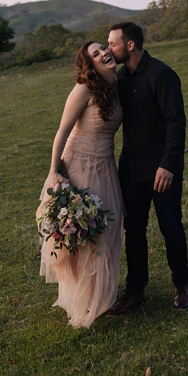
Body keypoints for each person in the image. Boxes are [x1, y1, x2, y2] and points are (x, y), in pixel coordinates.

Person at [106, 21, 188, 313]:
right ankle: (135, 290)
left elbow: (176, 122)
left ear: (130, 45)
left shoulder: (161, 74)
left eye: (113, 44)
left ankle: (182, 285)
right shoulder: (121, 77)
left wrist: (168, 165)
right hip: (131, 170)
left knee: (171, 228)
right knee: (134, 231)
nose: (109, 49)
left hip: (162, 170)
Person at [37, 42, 125, 328]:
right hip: (81, 166)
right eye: (96, 55)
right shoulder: (84, 89)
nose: (103, 54)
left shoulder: (116, 85)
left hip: (106, 166)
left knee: (109, 231)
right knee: (88, 234)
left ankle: (101, 296)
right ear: (91, 65)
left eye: (103, 48)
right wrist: (53, 172)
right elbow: (62, 131)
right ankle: (83, 300)